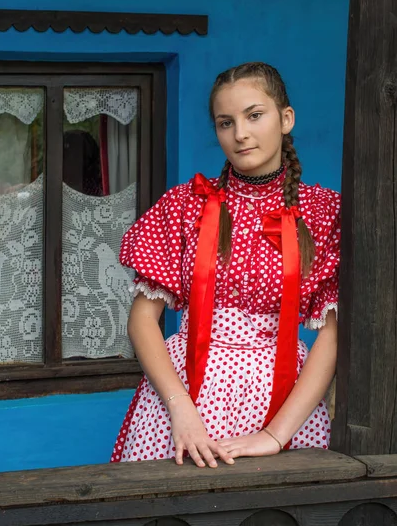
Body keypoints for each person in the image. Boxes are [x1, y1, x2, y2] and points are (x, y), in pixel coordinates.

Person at [110, 62, 340, 468]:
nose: (240, 134)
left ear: (285, 119)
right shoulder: (185, 204)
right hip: (182, 397)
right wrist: (181, 410)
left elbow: (333, 335)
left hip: (282, 400)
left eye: (254, 115)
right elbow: (142, 321)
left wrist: (275, 434)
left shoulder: (322, 212)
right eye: (225, 122)